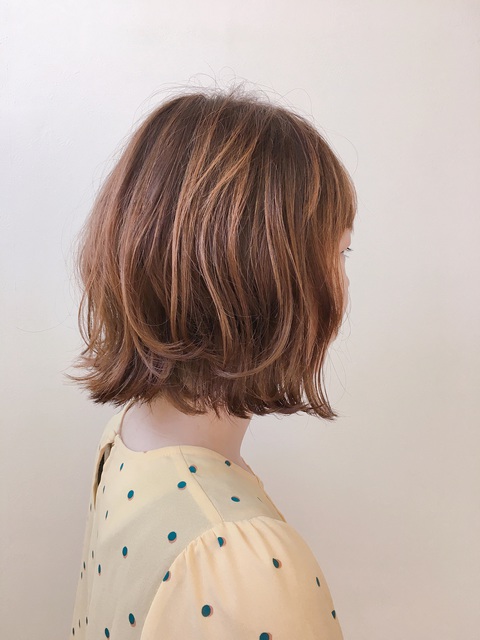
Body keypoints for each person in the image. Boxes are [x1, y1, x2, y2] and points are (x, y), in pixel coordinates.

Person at [67, 84, 357, 639]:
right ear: (270, 277)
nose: (344, 282)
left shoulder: (127, 439)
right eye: (340, 252)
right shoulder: (241, 563)